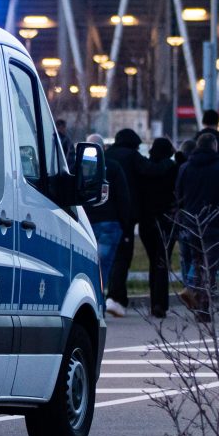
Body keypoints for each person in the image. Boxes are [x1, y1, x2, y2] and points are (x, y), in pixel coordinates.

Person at [174, 132, 219, 320]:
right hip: (215, 222)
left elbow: (179, 194)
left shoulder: (185, 168)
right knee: (211, 266)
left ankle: (193, 288)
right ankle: (203, 304)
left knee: (197, 260)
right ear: (214, 146)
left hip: (191, 222)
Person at [84, 133, 132, 317]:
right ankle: (99, 305)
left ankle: (91, 304)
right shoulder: (113, 167)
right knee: (103, 267)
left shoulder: (80, 167)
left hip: (86, 223)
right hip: (109, 223)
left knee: (86, 266)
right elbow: (123, 196)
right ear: (103, 148)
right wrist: (125, 223)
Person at [104, 129, 149, 317]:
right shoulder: (134, 157)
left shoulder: (106, 156)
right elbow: (150, 172)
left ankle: (102, 298)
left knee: (104, 260)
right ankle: (116, 297)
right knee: (123, 258)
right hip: (125, 216)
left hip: (100, 214)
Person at [137, 137, 181, 317]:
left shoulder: (144, 169)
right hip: (166, 220)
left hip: (146, 221)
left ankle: (154, 300)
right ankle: (160, 303)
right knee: (163, 261)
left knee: (152, 262)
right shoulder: (173, 169)